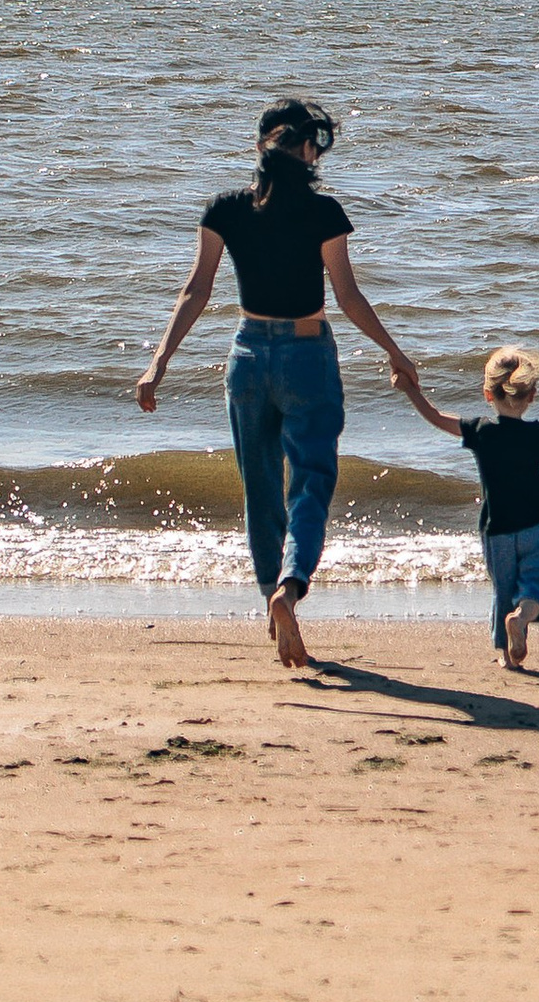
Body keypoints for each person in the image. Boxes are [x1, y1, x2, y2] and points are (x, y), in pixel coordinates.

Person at [136, 96, 419, 671]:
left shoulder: (225, 209)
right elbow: (347, 296)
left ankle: (272, 600)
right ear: (311, 150)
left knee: (260, 489)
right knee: (311, 482)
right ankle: (289, 587)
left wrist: (159, 360)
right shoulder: (325, 212)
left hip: (246, 354)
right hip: (308, 354)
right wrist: (395, 352)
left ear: (260, 144)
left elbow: (197, 289)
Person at [395, 344, 539, 668]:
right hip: (537, 525)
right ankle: (521, 619)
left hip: (497, 530)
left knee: (503, 590)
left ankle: (509, 657)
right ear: (532, 395)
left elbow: (436, 417)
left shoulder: (481, 431)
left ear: (488, 393)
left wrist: (410, 390)